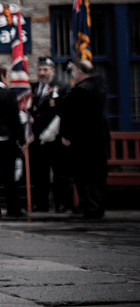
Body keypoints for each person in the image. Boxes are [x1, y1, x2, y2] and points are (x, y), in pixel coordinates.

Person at [57, 59, 109, 220]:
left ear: (79, 72)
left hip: (83, 140)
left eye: (74, 71)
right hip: (98, 138)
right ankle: (96, 207)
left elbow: (69, 114)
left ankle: (90, 207)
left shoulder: (81, 90)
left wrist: (66, 135)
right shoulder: (100, 86)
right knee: (97, 175)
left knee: (85, 175)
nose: (72, 74)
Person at [27, 57, 67, 213]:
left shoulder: (61, 87)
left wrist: (53, 131)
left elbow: (63, 111)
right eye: (39, 69)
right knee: (39, 173)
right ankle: (40, 204)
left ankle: (61, 204)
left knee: (59, 173)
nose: (42, 73)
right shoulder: (33, 87)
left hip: (54, 137)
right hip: (37, 137)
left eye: (45, 70)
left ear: (52, 70)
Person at [0, 66, 28, 219]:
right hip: (6, 140)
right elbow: (15, 120)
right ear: (2, 76)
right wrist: (21, 139)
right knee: (8, 176)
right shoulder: (8, 94)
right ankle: (13, 209)